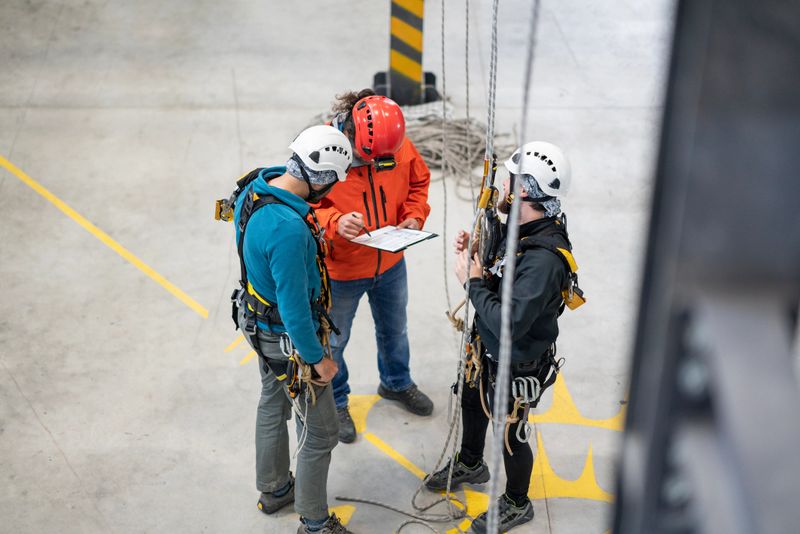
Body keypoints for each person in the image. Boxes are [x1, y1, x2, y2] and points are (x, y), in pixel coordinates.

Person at [424, 142, 578, 534]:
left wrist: (472, 281)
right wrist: (479, 251)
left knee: (511, 431)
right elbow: (502, 266)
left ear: (524, 189)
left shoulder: (544, 259)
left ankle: (517, 502)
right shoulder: (520, 222)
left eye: (510, 178)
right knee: (473, 399)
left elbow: (510, 325)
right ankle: (471, 462)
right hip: (486, 343)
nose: (503, 184)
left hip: (517, 356)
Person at [228, 125, 354, 534]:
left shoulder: (256, 185)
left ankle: (275, 489)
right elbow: (295, 307)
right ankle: (315, 523)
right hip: (287, 337)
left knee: (273, 399)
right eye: (333, 179)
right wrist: (317, 361)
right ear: (321, 177)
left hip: (254, 318)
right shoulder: (287, 227)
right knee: (321, 433)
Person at [313, 89, 434, 444]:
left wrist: (413, 216)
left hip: (391, 262)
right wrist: (334, 221)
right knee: (333, 343)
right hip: (341, 272)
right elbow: (300, 205)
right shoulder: (321, 153)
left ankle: (396, 382)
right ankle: (335, 401)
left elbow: (418, 182)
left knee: (395, 330)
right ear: (350, 132)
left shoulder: (393, 144)